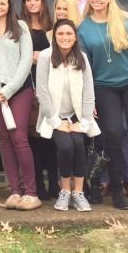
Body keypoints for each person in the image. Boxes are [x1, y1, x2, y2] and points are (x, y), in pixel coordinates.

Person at [77, 0, 128, 211]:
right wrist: (88, 100)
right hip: (103, 86)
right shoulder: (84, 28)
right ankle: (118, 190)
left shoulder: (125, 22)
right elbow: (86, 67)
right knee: (113, 133)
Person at [0, 0, 41, 211]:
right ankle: (15, 191)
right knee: (4, 140)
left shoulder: (21, 27)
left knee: (19, 138)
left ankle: (31, 192)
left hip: (19, 90)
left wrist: (11, 88)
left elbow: (26, 61)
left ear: (9, 5)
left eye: (2, 3)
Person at [35, 19, 99, 212]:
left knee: (78, 144)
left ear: (75, 37)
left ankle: (78, 193)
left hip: (77, 115)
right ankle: (65, 190)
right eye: (60, 34)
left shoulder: (82, 58)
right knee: (65, 146)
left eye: (69, 34)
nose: (65, 37)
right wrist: (56, 121)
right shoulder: (46, 56)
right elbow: (42, 91)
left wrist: (86, 121)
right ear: (54, 36)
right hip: (53, 115)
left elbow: (89, 92)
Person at [19, 0, 58, 200]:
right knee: (32, 137)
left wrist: (41, 55)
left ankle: (54, 181)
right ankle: (38, 184)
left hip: (50, 86)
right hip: (28, 86)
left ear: (42, 2)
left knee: (50, 137)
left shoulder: (51, 27)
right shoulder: (20, 27)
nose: (32, 3)